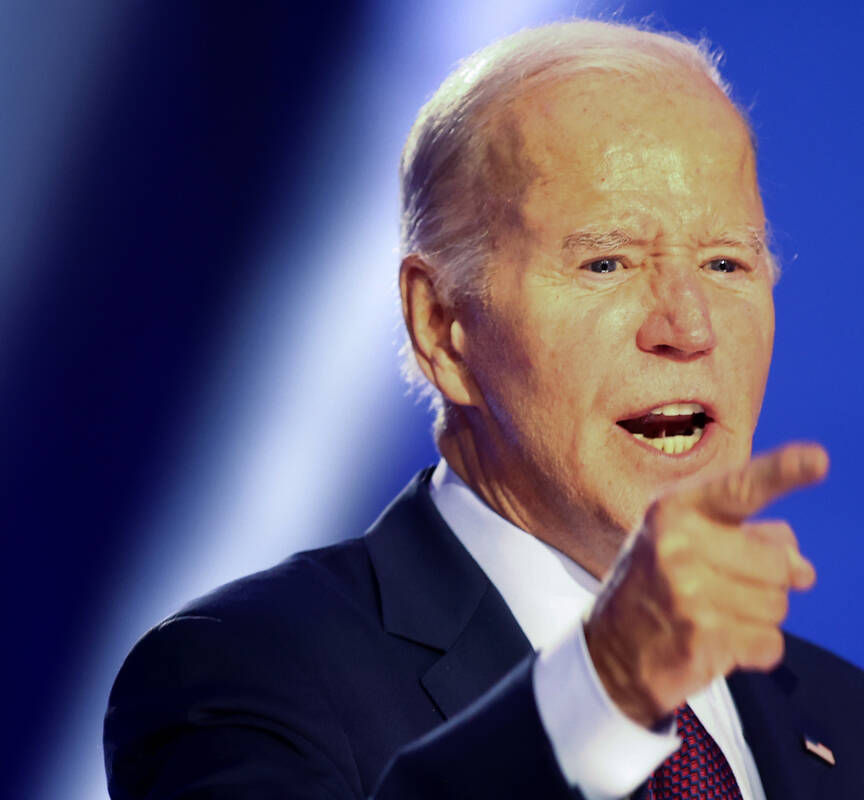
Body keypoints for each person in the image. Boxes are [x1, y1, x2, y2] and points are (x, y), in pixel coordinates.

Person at [104, 19, 864, 799]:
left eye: (726, 262)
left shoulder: (847, 716)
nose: (689, 327)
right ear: (441, 326)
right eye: (607, 262)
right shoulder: (240, 678)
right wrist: (597, 697)